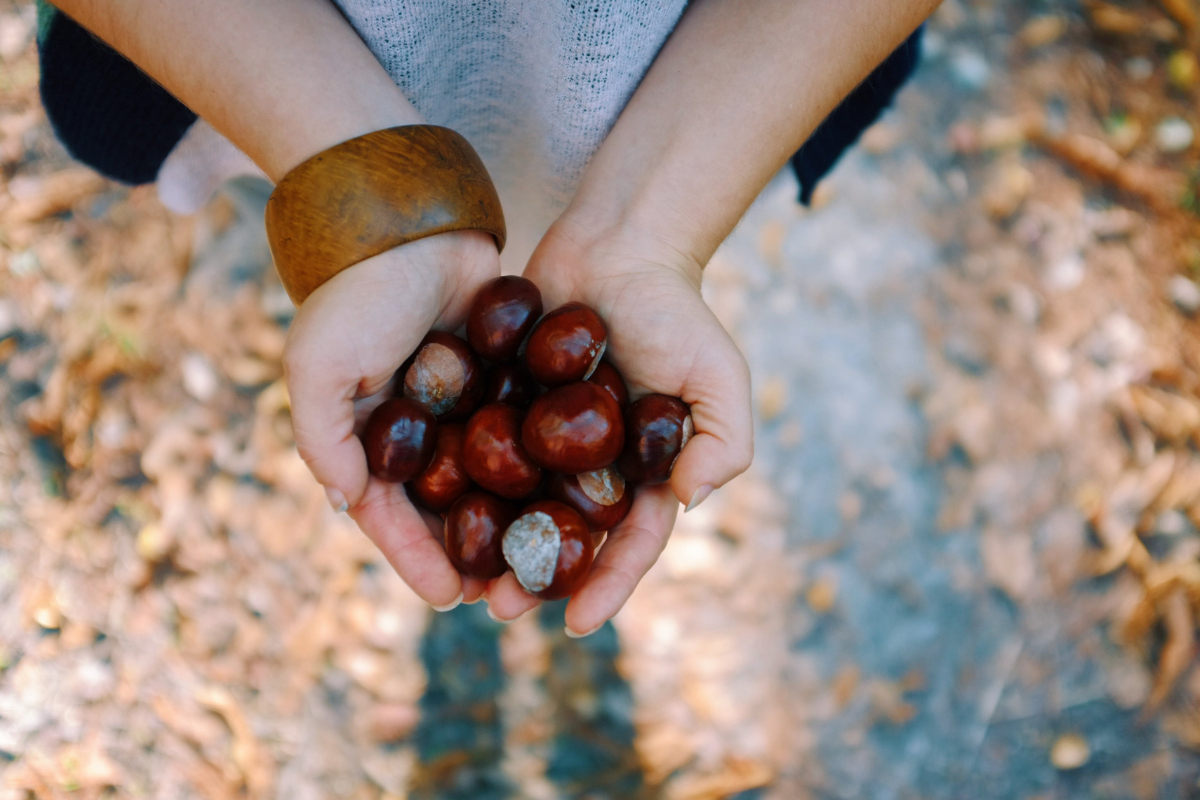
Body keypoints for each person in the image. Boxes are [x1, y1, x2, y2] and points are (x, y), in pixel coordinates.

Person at [36, 0, 936, 637]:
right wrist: (356, 182)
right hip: (260, 70)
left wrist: (655, 228)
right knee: (328, 233)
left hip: (703, 89)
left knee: (548, 246)